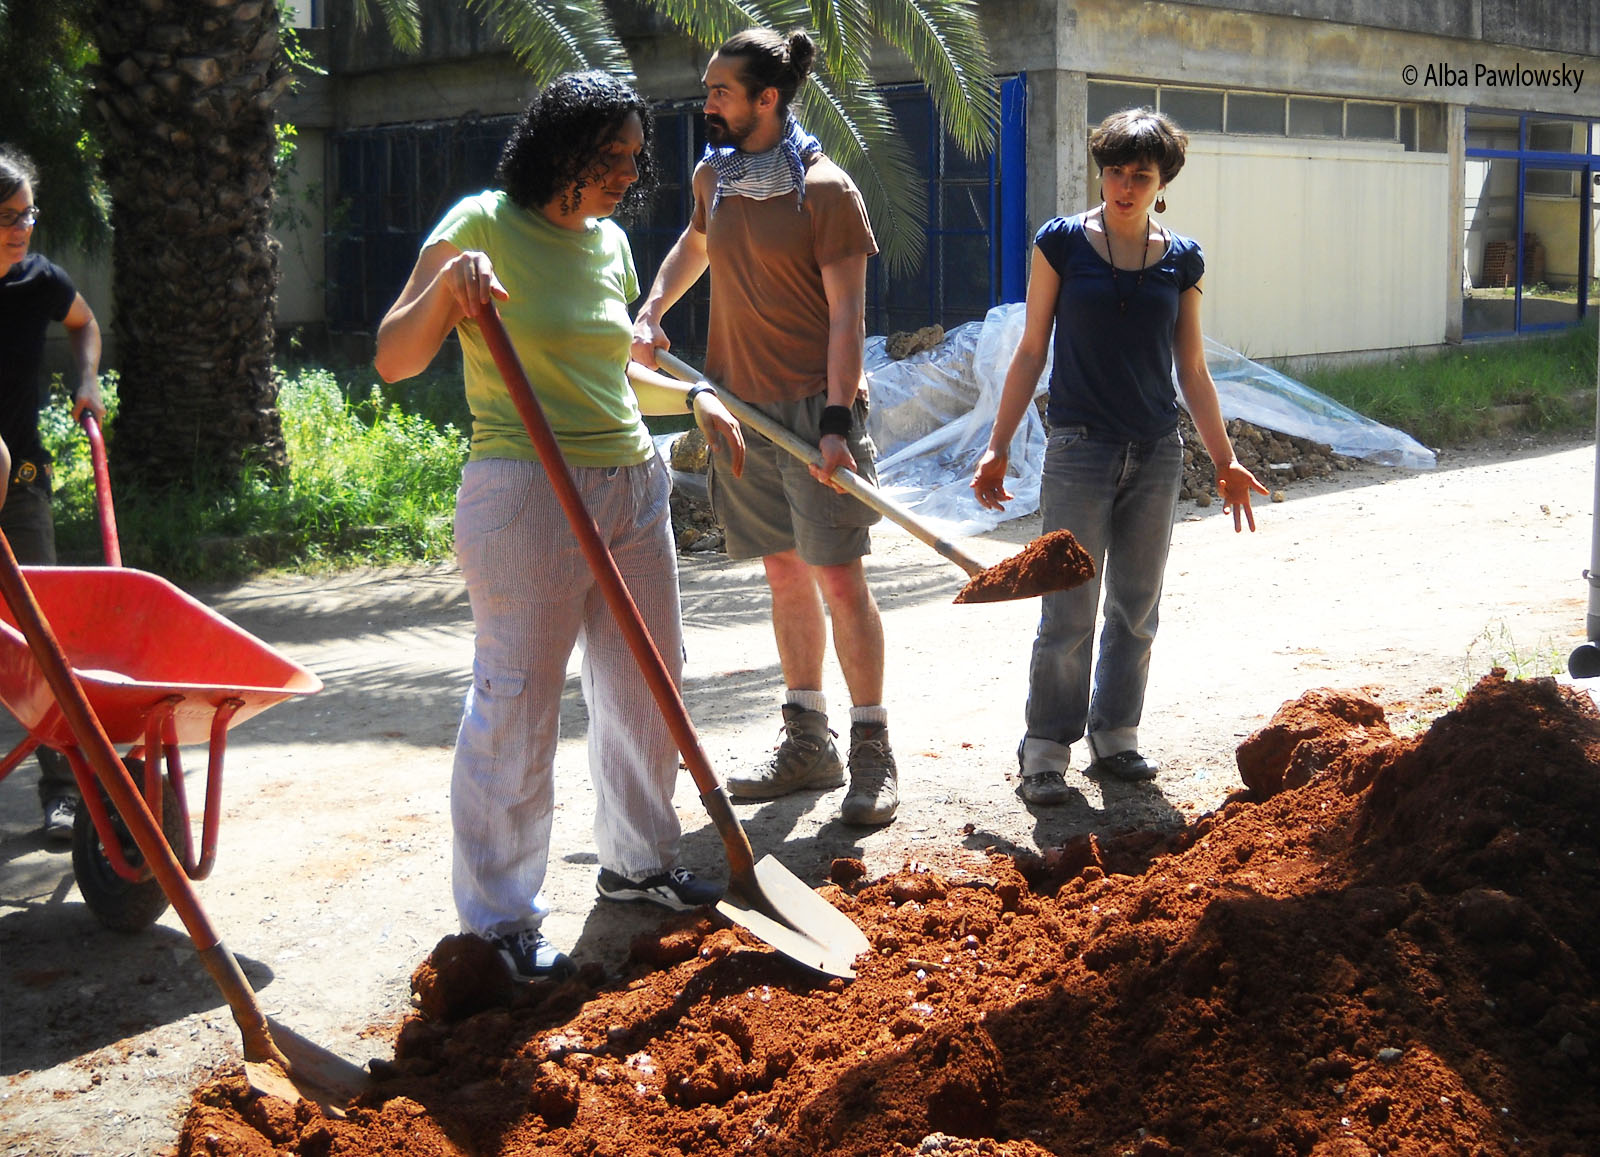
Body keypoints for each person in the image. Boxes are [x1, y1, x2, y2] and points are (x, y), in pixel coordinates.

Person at [374, 72, 746, 981]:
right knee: (517, 702)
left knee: (648, 681)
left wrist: (693, 395)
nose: (627, 172)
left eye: (633, 157)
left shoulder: (612, 244)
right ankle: (499, 920)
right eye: (609, 155)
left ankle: (638, 865)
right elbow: (393, 356)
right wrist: (447, 291)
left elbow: (619, 371)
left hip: (630, 486)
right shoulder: (479, 225)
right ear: (559, 148)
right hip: (526, 490)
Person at [631, 27, 899, 826]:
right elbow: (698, 243)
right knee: (784, 576)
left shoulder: (825, 190)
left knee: (841, 578)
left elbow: (849, 319)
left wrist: (836, 423)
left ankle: (873, 747)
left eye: (720, 91)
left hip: (815, 410)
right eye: (709, 88)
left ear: (767, 99)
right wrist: (653, 306)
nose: (706, 102)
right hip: (737, 411)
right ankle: (806, 740)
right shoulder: (714, 176)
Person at [970, 108, 1267, 805]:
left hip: (1156, 451)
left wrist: (1224, 459)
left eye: (1140, 175)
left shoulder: (1182, 258)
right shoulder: (1062, 244)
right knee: (1068, 607)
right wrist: (997, 445)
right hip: (1077, 447)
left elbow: (1191, 369)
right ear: (1099, 171)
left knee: (1136, 605)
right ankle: (1045, 748)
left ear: (1162, 181)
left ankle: (1116, 734)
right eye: (1114, 171)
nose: (1124, 186)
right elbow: (1030, 348)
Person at [0, 144, 105, 841]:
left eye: (27, 213)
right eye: (7, 215)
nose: (21, 226)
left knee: (43, 639)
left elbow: (85, 324)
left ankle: (63, 791)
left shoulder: (38, 280)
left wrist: (88, 378)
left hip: (22, 485)